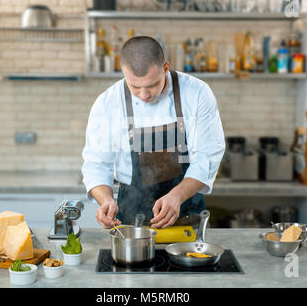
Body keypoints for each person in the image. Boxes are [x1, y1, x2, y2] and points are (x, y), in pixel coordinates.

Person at [82, 36, 225, 229]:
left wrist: (177, 196)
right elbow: (96, 164)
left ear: (165, 68)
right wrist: (106, 200)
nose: (143, 95)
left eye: (151, 85)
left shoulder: (196, 92)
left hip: (186, 211)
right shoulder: (108, 103)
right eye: (134, 87)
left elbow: (206, 156)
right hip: (132, 219)